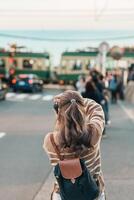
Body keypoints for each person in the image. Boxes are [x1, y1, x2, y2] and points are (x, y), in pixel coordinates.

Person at [43, 90, 106, 200]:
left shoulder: (51, 140)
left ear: (59, 112)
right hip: (92, 192)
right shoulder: (93, 132)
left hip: (63, 194)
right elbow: (97, 109)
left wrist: (67, 102)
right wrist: (76, 101)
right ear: (81, 109)